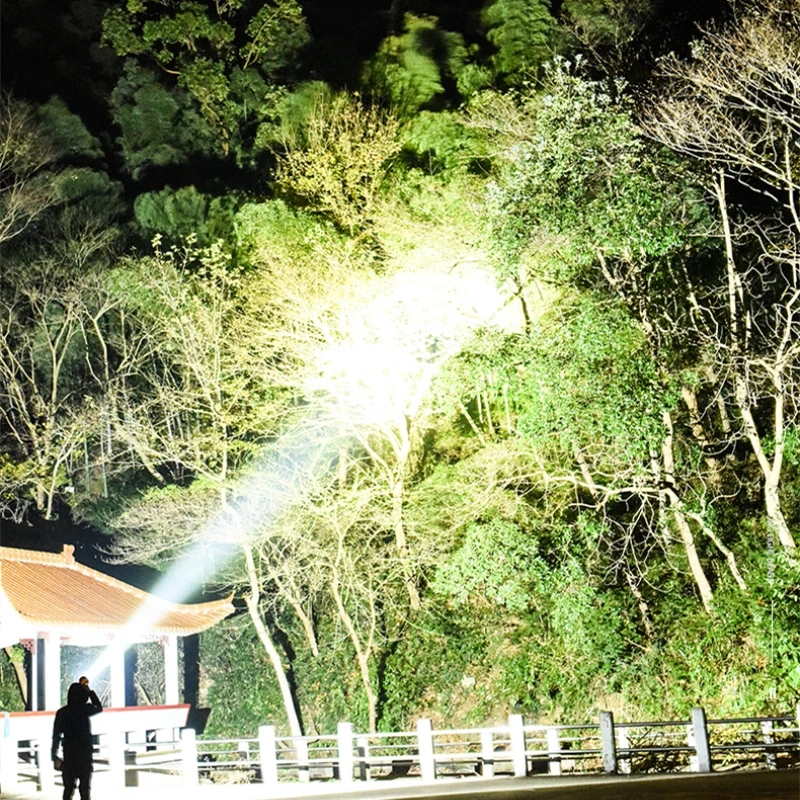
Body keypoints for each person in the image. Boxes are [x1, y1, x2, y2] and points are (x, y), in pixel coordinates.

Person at [51, 679, 103, 800]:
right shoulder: (85, 709)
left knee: (68, 789)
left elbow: (56, 736)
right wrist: (89, 691)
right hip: (85, 754)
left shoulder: (62, 713)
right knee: (85, 790)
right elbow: (98, 707)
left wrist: (54, 755)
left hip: (69, 755)